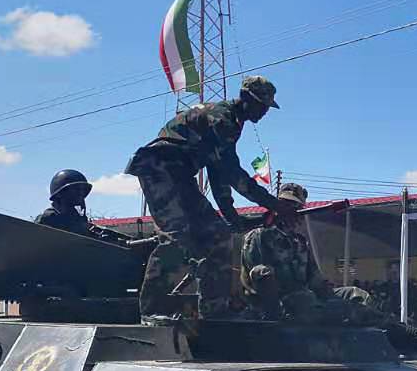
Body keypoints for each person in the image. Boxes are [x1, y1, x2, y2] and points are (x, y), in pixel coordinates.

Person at [125, 75, 298, 318]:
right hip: (159, 168)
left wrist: (231, 216)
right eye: (262, 105)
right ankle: (151, 311)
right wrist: (274, 204)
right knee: (176, 236)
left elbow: (218, 173)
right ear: (246, 98)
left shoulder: (232, 123)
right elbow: (231, 171)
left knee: (219, 234)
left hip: (180, 174)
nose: (264, 112)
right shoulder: (222, 118)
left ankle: (214, 311)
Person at [239, 182, 417, 355]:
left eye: (298, 207)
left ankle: (392, 343)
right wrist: (274, 314)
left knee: (356, 296)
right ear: (277, 207)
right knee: (346, 310)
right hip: (285, 306)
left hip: (307, 299)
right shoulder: (259, 236)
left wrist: (332, 297)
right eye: (288, 206)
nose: (295, 213)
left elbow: (315, 281)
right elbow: (259, 277)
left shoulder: (299, 242)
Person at [37, 169, 132, 245]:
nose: (80, 194)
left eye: (82, 190)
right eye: (76, 190)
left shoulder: (78, 220)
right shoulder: (49, 219)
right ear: (60, 194)